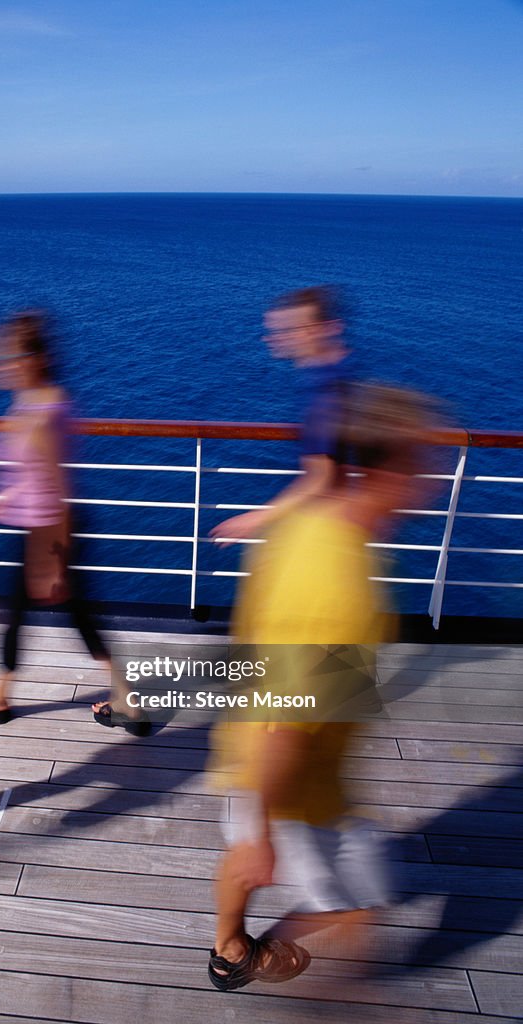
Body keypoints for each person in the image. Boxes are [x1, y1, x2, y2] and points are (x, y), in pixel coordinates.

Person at [207, 382, 433, 992]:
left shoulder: (303, 528)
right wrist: (263, 828)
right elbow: (291, 718)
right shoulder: (346, 587)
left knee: (244, 856)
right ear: (388, 470)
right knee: (359, 910)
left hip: (245, 744)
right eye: (424, 465)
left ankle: (228, 946)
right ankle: (322, 998)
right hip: (300, 786)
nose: (432, 482)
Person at [0, 310, 149, 735]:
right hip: (36, 527)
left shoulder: (44, 412)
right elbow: (35, 472)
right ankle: (2, 695)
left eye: (2, 358)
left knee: (63, 616)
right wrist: (8, 496)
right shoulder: (33, 401)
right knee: (53, 616)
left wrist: (53, 555)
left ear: (30, 359)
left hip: (46, 533)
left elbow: (55, 481)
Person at [211, 285, 354, 546]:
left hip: (327, 530)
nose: (271, 338)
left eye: (286, 330)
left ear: (316, 330)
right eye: (275, 330)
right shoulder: (336, 376)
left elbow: (321, 479)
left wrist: (254, 520)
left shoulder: (326, 393)